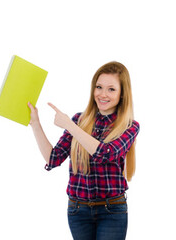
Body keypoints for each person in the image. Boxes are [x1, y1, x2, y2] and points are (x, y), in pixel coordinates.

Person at [27, 61, 138, 240]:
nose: (103, 94)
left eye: (111, 89)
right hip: (78, 211)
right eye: (99, 87)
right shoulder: (79, 120)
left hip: (112, 211)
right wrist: (35, 123)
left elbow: (106, 154)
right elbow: (53, 158)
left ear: (122, 94)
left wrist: (71, 126)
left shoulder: (129, 126)